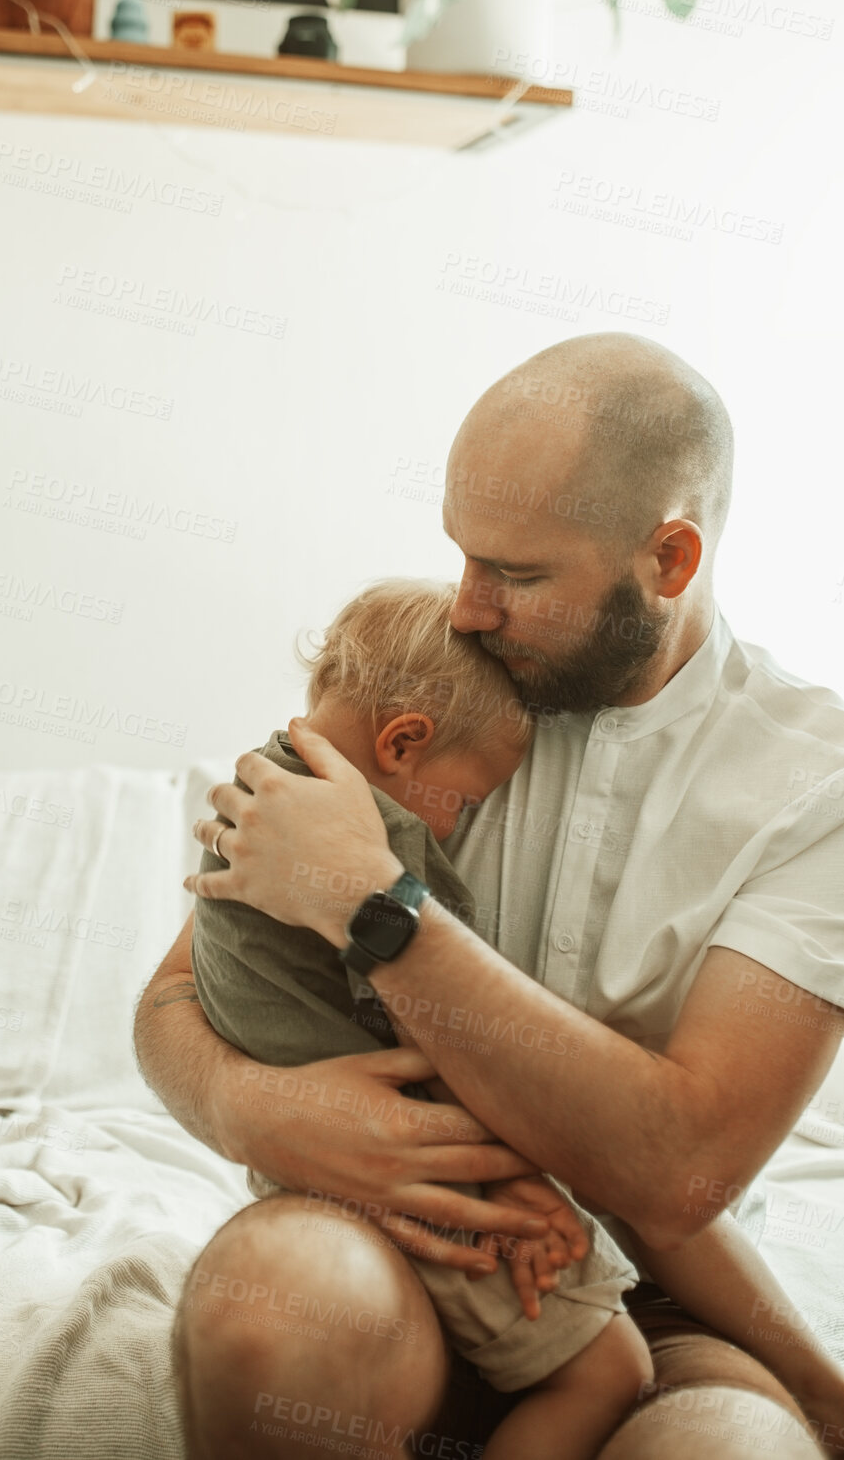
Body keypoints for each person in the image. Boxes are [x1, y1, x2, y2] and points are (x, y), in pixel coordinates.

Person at [136, 333, 844, 1460]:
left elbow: (682, 1167)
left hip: (652, 1303)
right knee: (273, 1306)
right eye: (464, 556)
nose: (467, 606)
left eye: (515, 575)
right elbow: (176, 994)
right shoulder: (427, 699)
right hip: (386, 1242)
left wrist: (379, 903)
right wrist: (247, 1106)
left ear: (667, 558)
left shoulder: (816, 785)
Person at [191, 579, 653, 1460]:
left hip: (298, 1170)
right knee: (610, 1372)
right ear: (404, 742)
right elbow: (446, 1037)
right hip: (411, 1163)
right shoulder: (379, 844)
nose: (465, 822)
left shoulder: (247, 803)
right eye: (469, 798)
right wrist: (518, 1186)